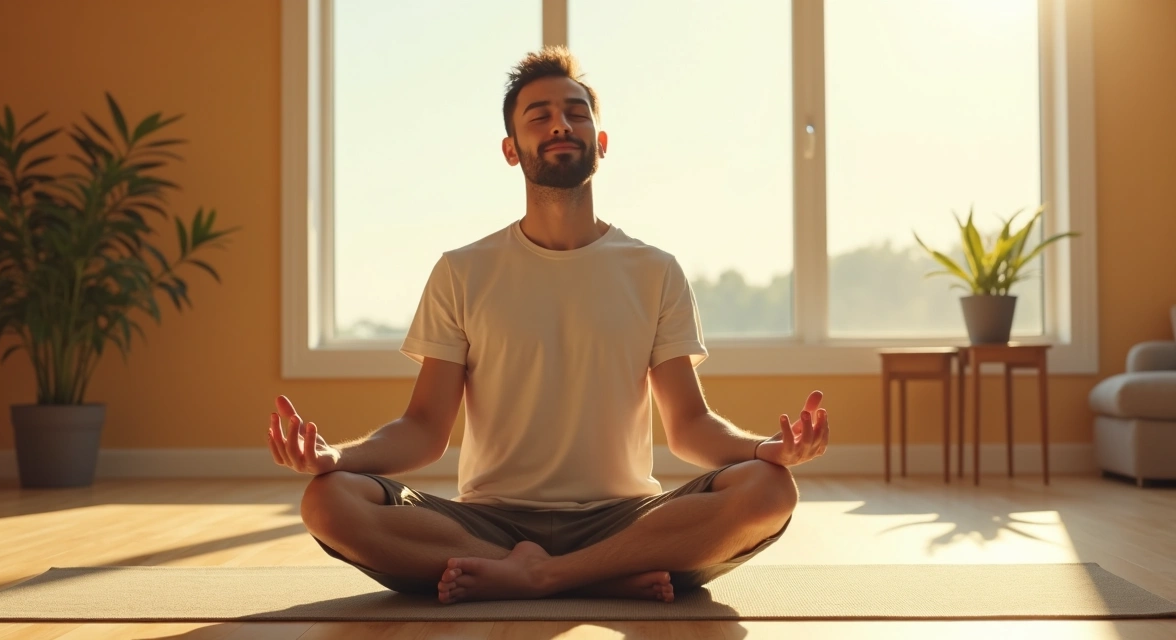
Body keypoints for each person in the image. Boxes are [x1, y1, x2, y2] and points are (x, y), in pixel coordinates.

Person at [267, 45, 830, 605]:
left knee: (769, 489)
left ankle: (546, 575)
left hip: (625, 518)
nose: (560, 124)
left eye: (576, 112)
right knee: (328, 501)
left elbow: (688, 426)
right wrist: (335, 459)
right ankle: (597, 577)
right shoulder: (463, 270)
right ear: (511, 150)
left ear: (601, 144)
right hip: (487, 524)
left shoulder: (655, 270)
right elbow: (423, 428)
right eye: (539, 116)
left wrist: (765, 449)